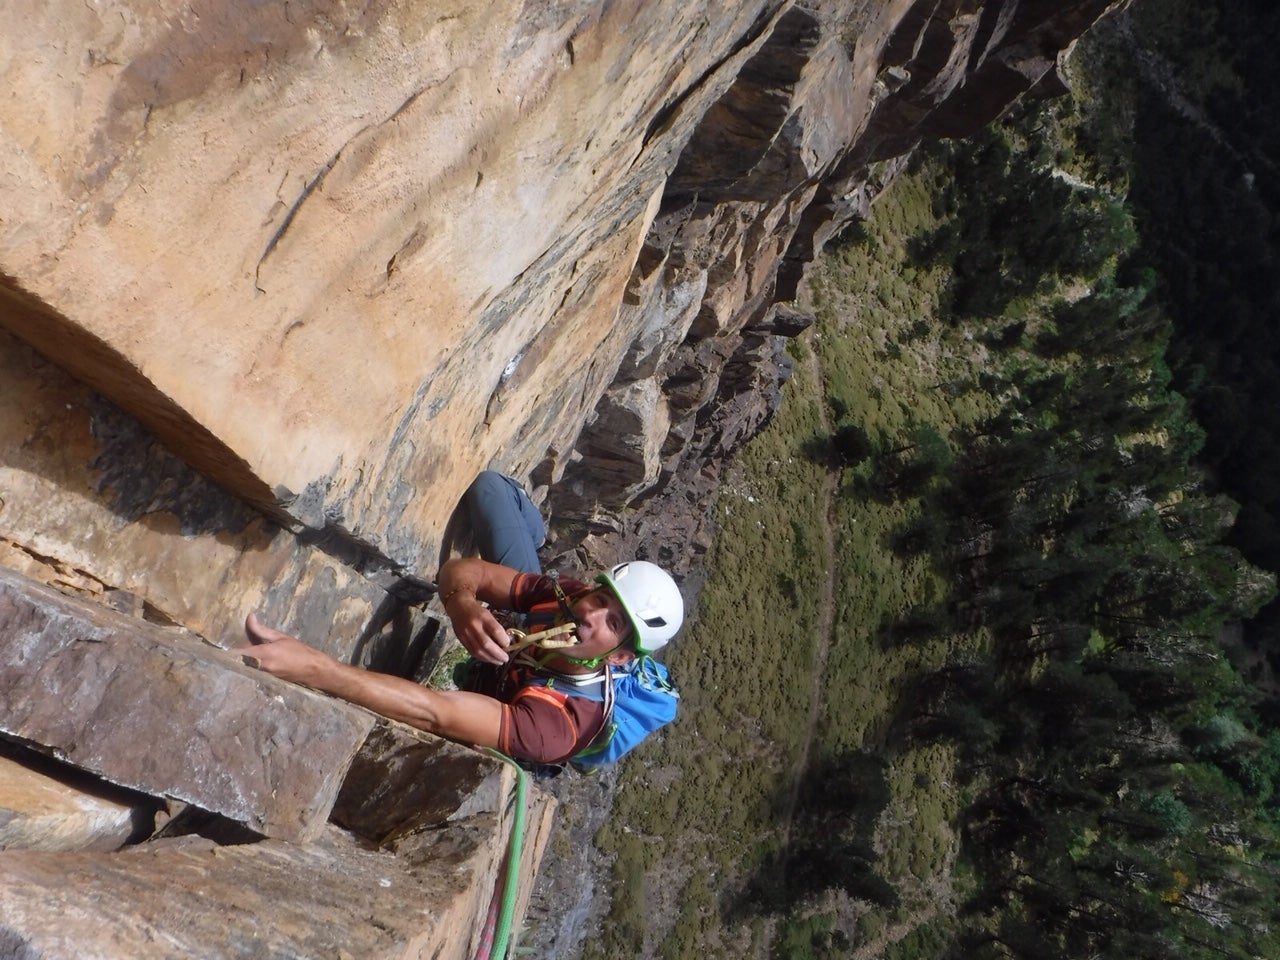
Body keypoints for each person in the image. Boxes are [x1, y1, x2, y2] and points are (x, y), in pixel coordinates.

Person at [237, 471, 684, 766]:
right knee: (490, 488)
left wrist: (316, 668)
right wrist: (462, 605)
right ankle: (535, 529)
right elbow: (467, 574)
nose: (592, 615)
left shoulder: (558, 725)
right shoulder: (571, 597)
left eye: (614, 624)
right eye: (602, 597)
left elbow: (437, 713)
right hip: (516, 653)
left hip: (511, 710)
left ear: (620, 657)